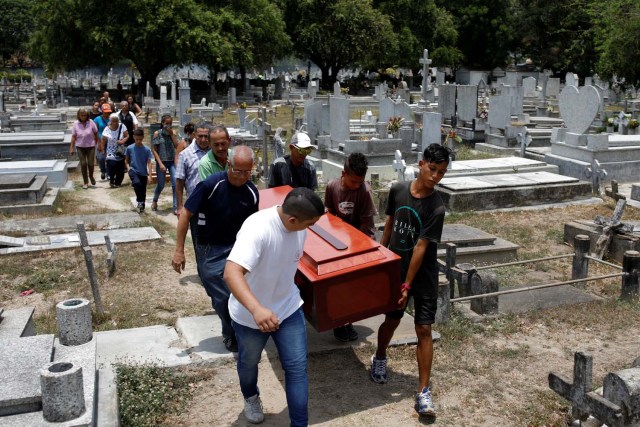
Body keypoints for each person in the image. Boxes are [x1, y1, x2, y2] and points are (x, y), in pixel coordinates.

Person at [224, 187, 324, 426]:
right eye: (309, 223)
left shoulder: (298, 228)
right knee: (248, 363)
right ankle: (251, 396)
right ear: (292, 219)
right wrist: (257, 309)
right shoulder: (258, 229)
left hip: (288, 308)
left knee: (297, 368)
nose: (310, 228)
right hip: (250, 315)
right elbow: (231, 273)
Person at [370, 143, 450, 418]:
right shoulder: (398, 190)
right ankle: (380, 356)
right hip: (396, 269)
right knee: (391, 321)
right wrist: (379, 258)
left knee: (424, 330)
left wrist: (407, 285)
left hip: (423, 276)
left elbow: (420, 246)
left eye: (441, 172)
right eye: (432, 169)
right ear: (421, 163)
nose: (436, 176)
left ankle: (423, 391)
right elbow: (389, 225)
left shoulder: (436, 207)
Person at [172, 146, 259, 353]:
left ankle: (237, 332)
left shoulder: (251, 192)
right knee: (221, 296)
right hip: (210, 248)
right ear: (229, 165)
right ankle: (232, 331)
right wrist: (179, 250)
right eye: (238, 171)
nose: (242, 176)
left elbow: (254, 225)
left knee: (239, 292)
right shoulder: (211, 185)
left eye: (247, 172)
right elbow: (185, 215)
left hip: (237, 247)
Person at [324, 152, 376, 342]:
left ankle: (348, 320)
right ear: (343, 173)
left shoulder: (364, 191)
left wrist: (355, 249)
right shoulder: (332, 187)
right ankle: (338, 322)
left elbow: (366, 225)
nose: (356, 185)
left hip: (357, 244)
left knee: (352, 288)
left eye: (360, 182)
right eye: (353, 181)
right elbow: (328, 215)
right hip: (335, 242)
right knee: (337, 286)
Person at [175, 122, 210, 276]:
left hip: (216, 205)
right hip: (196, 207)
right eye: (200, 136)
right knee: (199, 240)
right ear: (194, 135)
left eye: (206, 136)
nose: (203, 139)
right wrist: (180, 206)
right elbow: (180, 181)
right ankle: (203, 272)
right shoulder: (186, 154)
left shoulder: (215, 152)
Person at [151, 114, 180, 213]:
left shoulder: (173, 133)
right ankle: (155, 200)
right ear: (162, 123)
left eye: (170, 124)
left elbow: (177, 146)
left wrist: (172, 135)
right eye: (166, 123)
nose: (168, 126)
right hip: (162, 162)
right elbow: (154, 150)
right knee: (161, 184)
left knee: (175, 183)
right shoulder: (157, 134)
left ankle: (176, 207)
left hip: (172, 161)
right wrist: (160, 164)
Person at [69, 108, 99, 189]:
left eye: (85, 115)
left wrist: (98, 144)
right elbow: (74, 136)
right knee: (83, 164)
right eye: (81, 115)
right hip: (80, 146)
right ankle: (85, 182)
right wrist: (71, 148)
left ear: (87, 115)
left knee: (91, 163)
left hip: (91, 146)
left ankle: (91, 176)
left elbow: (96, 133)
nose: (83, 117)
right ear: (78, 115)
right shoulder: (76, 124)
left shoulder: (91, 122)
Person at [125, 128, 153, 213]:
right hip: (133, 170)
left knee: (143, 190)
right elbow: (126, 160)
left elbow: (149, 163)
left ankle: (142, 206)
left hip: (143, 172)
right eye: (137, 139)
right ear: (133, 137)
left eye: (140, 139)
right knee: (137, 184)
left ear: (143, 138)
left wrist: (150, 176)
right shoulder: (130, 148)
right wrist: (128, 169)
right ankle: (139, 201)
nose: (138, 141)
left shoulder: (147, 150)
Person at [101, 113, 128, 187]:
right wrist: (102, 149)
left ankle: (118, 182)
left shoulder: (122, 126)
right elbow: (103, 139)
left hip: (120, 150)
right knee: (112, 164)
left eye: (116, 121)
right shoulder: (107, 129)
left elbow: (127, 135)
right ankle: (111, 180)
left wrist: (123, 141)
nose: (115, 123)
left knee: (120, 167)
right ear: (111, 121)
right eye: (113, 121)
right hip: (110, 150)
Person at [93, 103, 112, 181]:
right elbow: (95, 131)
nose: (107, 113)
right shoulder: (97, 119)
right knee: (101, 158)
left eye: (108, 112)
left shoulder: (112, 118)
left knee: (109, 158)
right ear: (102, 111)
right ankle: (103, 170)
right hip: (100, 140)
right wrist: (98, 142)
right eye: (105, 112)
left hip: (110, 141)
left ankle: (108, 173)